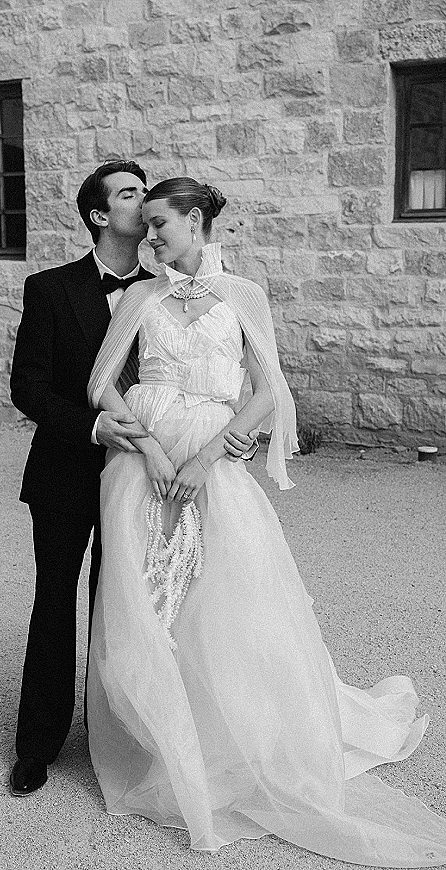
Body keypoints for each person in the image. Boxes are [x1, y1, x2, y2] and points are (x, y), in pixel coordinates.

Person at [86, 177, 446, 864]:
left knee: (227, 598)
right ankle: (164, 742)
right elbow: (101, 382)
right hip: (145, 463)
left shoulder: (244, 295)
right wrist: (156, 450)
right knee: (149, 601)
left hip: (213, 464)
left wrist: (211, 455)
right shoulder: (140, 295)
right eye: (146, 225)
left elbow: (270, 388)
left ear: (195, 222)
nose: (149, 238)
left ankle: (233, 739)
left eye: (160, 225)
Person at [8, 160, 260, 797]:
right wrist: (93, 429)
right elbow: (29, 389)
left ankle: (114, 738)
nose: (141, 205)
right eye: (127, 197)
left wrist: (224, 433)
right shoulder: (48, 289)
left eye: (147, 199)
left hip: (149, 479)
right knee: (55, 601)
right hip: (68, 470)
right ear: (99, 215)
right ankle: (36, 744)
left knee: (130, 606)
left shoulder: (169, 290)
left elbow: (221, 372)